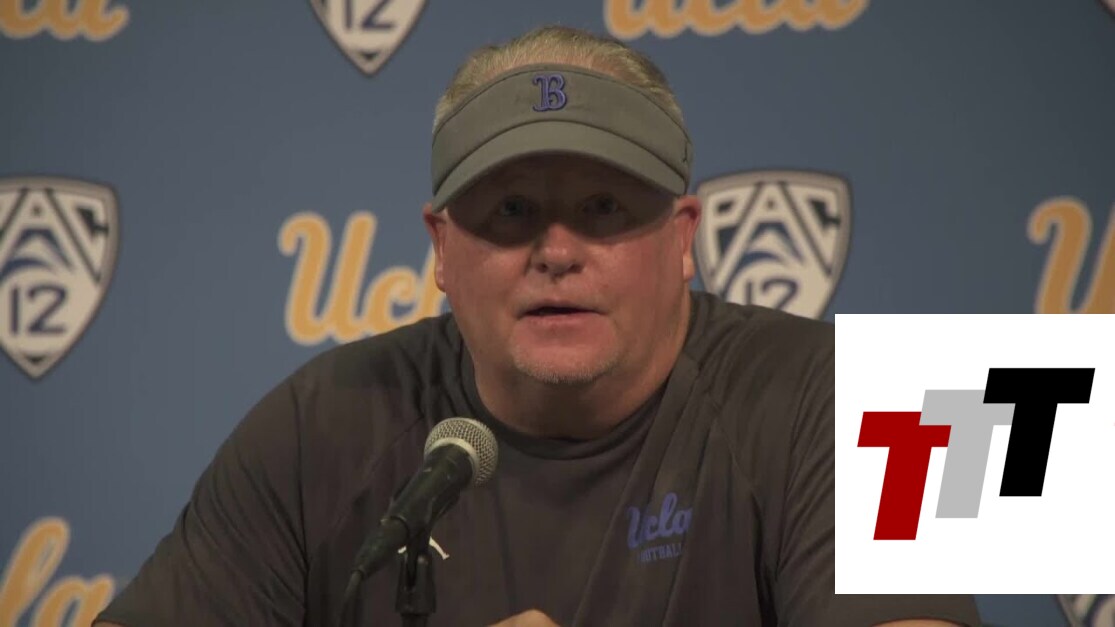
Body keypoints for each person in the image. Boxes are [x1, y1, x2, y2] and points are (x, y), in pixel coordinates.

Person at [95, 25, 982, 627]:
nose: (556, 251)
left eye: (603, 208)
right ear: (440, 248)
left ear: (683, 239)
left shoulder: (864, 389)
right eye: (511, 210)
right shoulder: (318, 418)